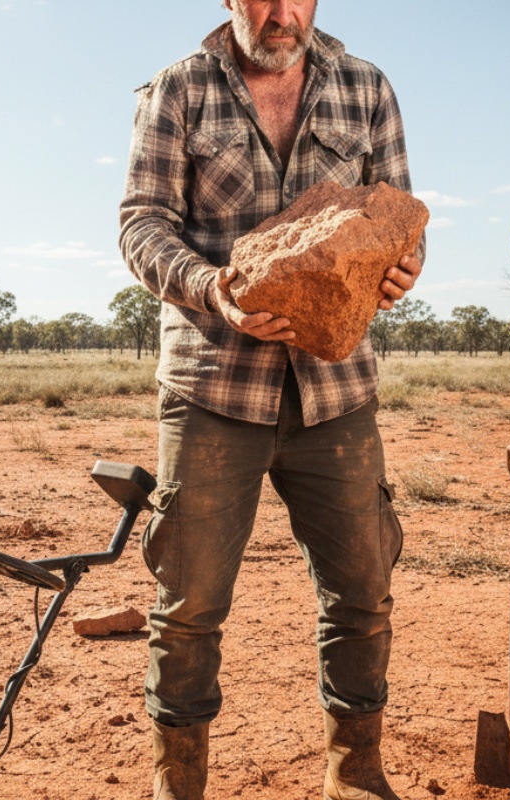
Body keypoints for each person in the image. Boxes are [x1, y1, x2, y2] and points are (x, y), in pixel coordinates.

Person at [119, 2, 424, 798]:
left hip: (337, 393)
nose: (281, 12)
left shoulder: (367, 88)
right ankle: (176, 784)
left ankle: (354, 773)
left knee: (362, 588)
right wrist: (210, 287)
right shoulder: (178, 89)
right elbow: (141, 224)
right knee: (188, 606)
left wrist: (400, 265)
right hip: (214, 388)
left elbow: (403, 215)